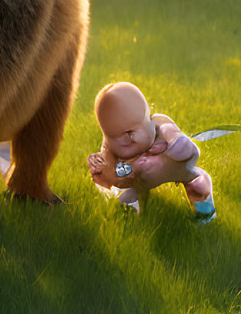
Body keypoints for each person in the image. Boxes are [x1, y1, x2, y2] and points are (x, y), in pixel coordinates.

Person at [89, 81, 217, 222]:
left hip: (170, 165)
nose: (127, 139)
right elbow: (111, 174)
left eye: (131, 131)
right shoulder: (109, 149)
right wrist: (110, 174)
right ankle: (133, 216)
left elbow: (174, 136)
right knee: (126, 199)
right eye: (115, 137)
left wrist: (176, 142)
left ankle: (205, 211)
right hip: (137, 179)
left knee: (197, 183)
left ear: (148, 118)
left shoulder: (160, 126)